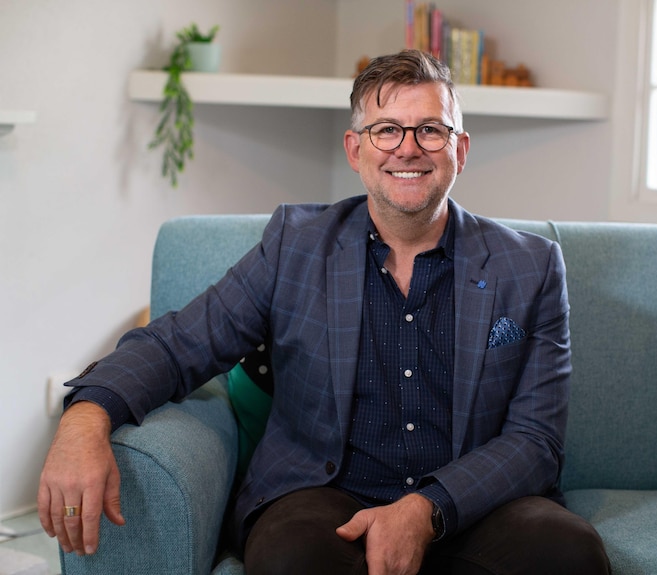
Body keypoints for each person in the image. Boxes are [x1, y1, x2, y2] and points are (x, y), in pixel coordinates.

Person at [38, 50, 610, 575]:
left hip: (472, 505)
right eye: (386, 130)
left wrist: (426, 509)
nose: (407, 148)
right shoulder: (296, 244)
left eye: (430, 131)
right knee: (291, 559)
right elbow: (179, 343)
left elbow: (535, 440)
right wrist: (85, 418)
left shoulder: (530, 266)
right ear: (355, 149)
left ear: (459, 150)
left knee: (568, 552)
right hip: (322, 498)